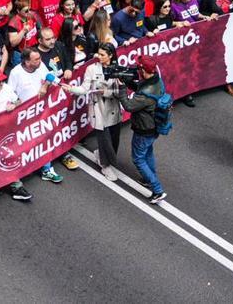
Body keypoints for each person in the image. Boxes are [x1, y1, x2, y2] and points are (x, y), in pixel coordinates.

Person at [60, 43, 124, 180]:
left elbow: (121, 91)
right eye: (98, 53)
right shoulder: (91, 69)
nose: (98, 57)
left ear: (111, 56)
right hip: (98, 109)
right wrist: (71, 89)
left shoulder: (118, 68)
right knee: (104, 139)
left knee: (114, 139)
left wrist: (106, 92)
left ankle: (103, 156)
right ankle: (105, 165)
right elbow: (84, 88)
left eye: (102, 55)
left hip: (113, 107)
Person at [118, 56, 168, 204]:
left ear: (144, 71)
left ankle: (157, 190)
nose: (137, 70)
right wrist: (128, 82)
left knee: (138, 158)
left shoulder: (146, 93)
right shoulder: (156, 80)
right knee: (147, 152)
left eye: (139, 68)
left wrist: (121, 87)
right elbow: (140, 88)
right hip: (154, 126)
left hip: (143, 129)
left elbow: (129, 106)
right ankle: (149, 178)